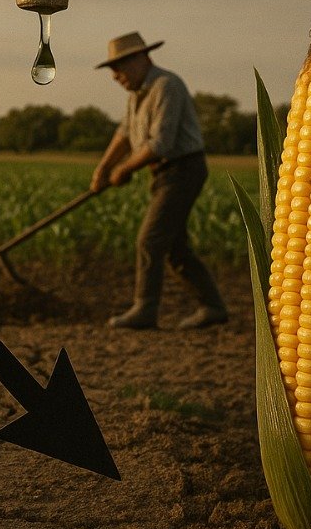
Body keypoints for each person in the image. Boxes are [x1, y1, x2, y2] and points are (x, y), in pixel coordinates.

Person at [90, 32, 227, 330]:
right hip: (165, 174)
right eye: (112, 69)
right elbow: (124, 134)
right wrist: (103, 168)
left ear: (142, 58)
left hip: (183, 170)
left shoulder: (167, 85)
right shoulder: (136, 95)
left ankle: (145, 309)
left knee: (150, 239)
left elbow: (160, 144)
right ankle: (213, 306)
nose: (115, 76)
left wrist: (124, 169)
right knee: (175, 247)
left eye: (119, 67)